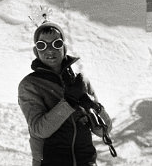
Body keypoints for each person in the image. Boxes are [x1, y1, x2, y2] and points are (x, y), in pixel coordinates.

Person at [18, 21, 112, 166]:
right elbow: (39, 130)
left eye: (56, 44)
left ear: (64, 48)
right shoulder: (30, 85)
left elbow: (103, 131)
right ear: (36, 51)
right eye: (42, 45)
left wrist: (95, 107)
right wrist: (68, 103)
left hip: (85, 161)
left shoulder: (80, 82)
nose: (50, 50)